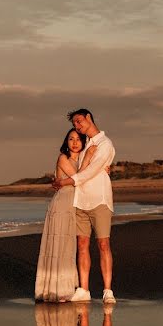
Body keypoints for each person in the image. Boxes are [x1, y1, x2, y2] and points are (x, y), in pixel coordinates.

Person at [51, 108, 117, 304]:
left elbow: (90, 172)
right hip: (80, 200)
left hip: (100, 200)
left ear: (89, 118)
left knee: (103, 244)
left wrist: (65, 182)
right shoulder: (84, 143)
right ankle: (84, 289)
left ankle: (107, 290)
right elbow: (78, 166)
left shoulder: (105, 144)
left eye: (79, 121)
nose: (77, 126)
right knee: (82, 245)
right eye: (74, 124)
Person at [35, 129, 87, 302]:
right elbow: (79, 178)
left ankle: (67, 286)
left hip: (76, 206)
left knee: (69, 246)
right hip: (62, 204)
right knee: (59, 245)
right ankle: (55, 289)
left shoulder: (83, 160)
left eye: (78, 139)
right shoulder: (63, 158)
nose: (74, 142)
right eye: (71, 139)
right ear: (66, 142)